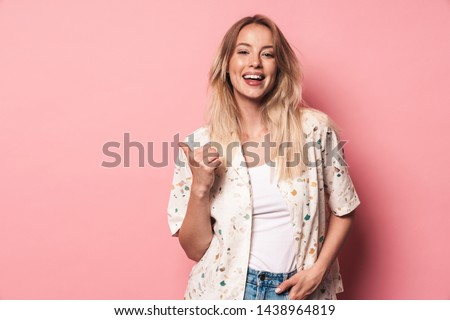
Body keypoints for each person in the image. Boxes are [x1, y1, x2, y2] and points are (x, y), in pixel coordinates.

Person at [167, 14, 360, 300]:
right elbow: (195, 250)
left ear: (278, 67)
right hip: (225, 294)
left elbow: (345, 207)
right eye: (243, 51)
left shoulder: (314, 129)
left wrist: (319, 270)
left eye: (267, 54)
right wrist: (199, 187)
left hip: (299, 291)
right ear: (227, 66)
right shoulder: (200, 144)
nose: (255, 62)